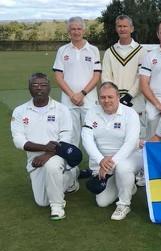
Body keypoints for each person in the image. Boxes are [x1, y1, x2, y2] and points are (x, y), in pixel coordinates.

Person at [11, 73, 77, 220]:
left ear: (49, 88)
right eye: (35, 85)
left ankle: (57, 206)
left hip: (57, 155)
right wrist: (44, 148)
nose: (39, 88)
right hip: (34, 159)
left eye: (43, 85)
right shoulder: (20, 111)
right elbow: (19, 141)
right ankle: (70, 177)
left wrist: (48, 154)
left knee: (52, 166)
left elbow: (66, 137)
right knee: (42, 202)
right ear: (29, 88)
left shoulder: (61, 109)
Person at [82, 82, 142, 220]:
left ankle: (124, 204)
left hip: (130, 156)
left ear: (118, 97)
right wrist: (100, 160)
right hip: (103, 162)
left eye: (110, 97)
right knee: (102, 202)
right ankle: (127, 185)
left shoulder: (130, 113)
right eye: (103, 97)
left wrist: (111, 162)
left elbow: (131, 142)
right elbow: (86, 139)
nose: (106, 101)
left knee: (122, 167)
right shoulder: (92, 112)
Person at [53, 16, 101, 179]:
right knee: (70, 136)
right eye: (73, 29)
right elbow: (58, 76)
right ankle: (70, 171)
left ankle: (95, 169)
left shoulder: (93, 50)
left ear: (84, 30)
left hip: (89, 99)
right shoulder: (63, 50)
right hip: (68, 101)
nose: (76, 31)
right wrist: (72, 94)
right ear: (69, 31)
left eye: (79, 28)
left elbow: (96, 76)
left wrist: (82, 93)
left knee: (92, 134)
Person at [101, 14, 147, 139]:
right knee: (116, 137)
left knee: (138, 137)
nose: (122, 29)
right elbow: (106, 77)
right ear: (116, 29)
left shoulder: (141, 51)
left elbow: (142, 77)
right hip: (114, 102)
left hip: (135, 101)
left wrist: (129, 96)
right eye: (119, 26)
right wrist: (114, 97)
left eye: (125, 26)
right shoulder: (110, 52)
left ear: (131, 28)